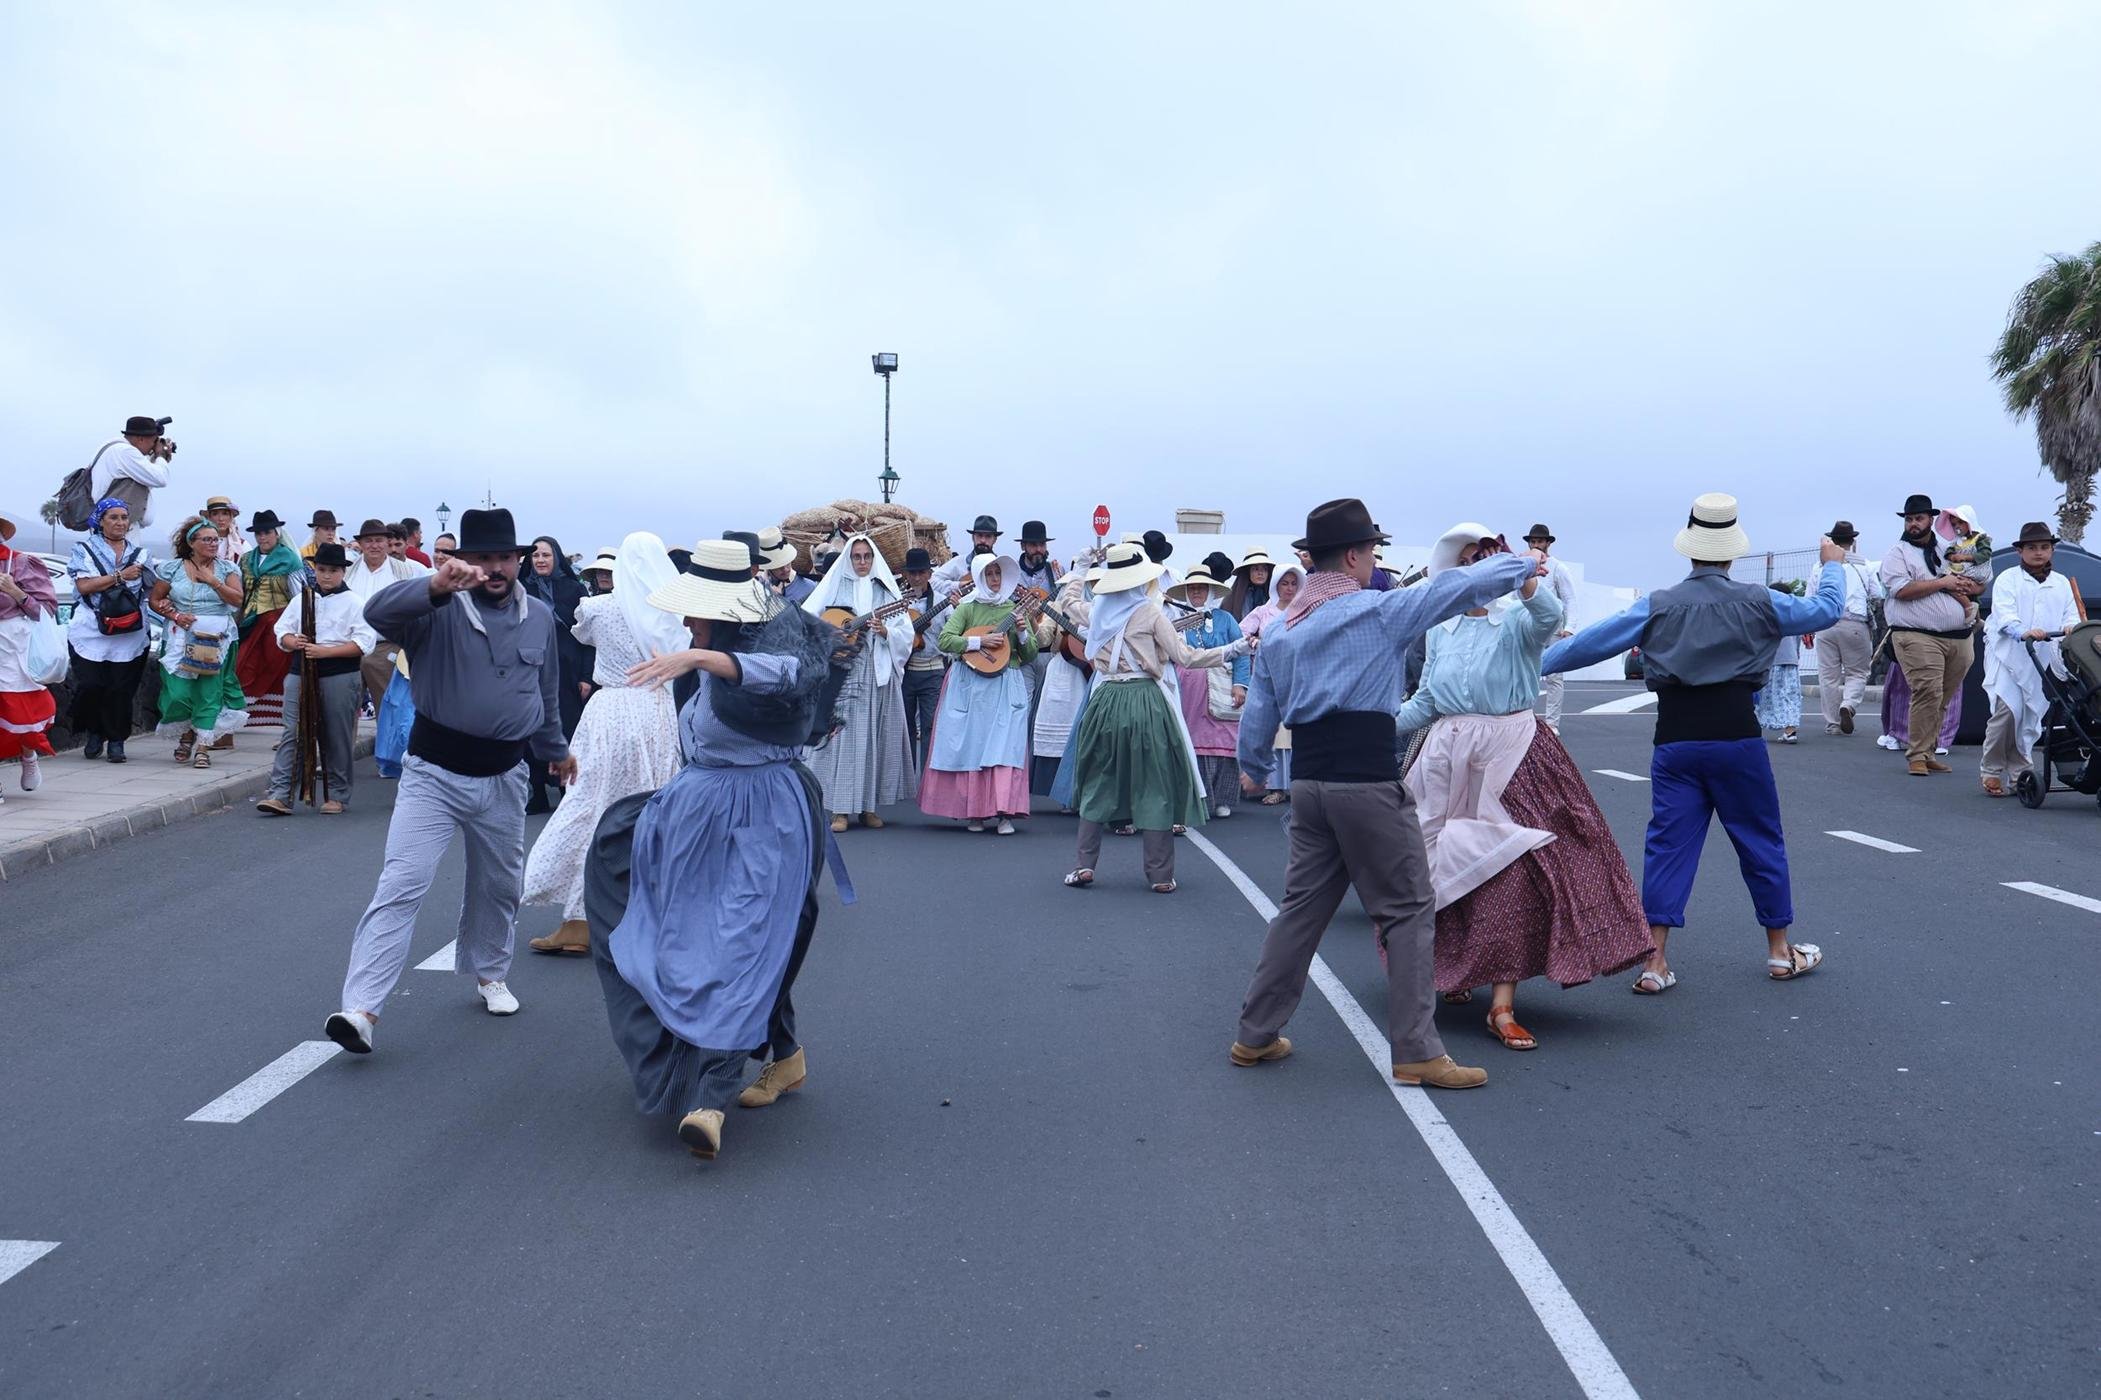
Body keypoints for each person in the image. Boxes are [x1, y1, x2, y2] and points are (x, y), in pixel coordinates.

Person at [1230, 498, 1540, 1090]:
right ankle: (1417, 1050)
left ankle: (1256, 1034)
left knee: (1300, 911)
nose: (1374, 560)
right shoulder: (1377, 612)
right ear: (1352, 556)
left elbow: (1258, 723)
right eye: (1372, 550)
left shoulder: (1280, 632)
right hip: (1366, 782)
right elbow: (1460, 586)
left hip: (1310, 786)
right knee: (1406, 909)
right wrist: (1520, 562)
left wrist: (1252, 767)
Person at [585, 540, 840, 1160]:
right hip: (695, 812)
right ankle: (785, 1056)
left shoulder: (773, 647)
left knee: (744, 942)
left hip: (765, 813)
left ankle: (710, 1097)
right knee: (673, 921)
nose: (689, 622)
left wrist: (708, 657)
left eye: (699, 615)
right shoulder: (704, 656)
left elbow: (791, 676)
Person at [1544, 493, 1843, 993]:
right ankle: (1778, 951)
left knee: (1667, 846)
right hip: (1737, 736)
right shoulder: (1760, 600)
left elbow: (1585, 645)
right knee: (1759, 840)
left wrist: (1524, 667)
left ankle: (1654, 961)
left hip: (1675, 739)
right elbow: (1826, 611)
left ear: (1691, 548)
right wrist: (1831, 566)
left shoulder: (1659, 603)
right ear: (1731, 550)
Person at [322, 508, 577, 1056]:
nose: (494, 569)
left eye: (503, 558)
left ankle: (490, 974)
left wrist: (555, 752)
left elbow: (545, 692)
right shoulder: (435, 606)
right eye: (481, 558)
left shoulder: (540, 618)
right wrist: (435, 585)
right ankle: (361, 1009)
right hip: (433, 774)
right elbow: (377, 612)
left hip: (506, 775)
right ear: (462, 561)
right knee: (401, 885)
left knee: (498, 887)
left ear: (517, 561)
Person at [1398, 523, 1650, 1051]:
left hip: (1511, 751)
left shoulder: (1516, 619)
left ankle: (1502, 1004)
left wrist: (1525, 581)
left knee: (1511, 871)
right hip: (1444, 753)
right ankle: (1455, 969)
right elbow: (1426, 700)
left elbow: (1550, 618)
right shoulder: (1439, 629)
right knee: (1428, 867)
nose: (1478, 569)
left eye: (1487, 559)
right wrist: (1372, 727)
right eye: (1470, 561)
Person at [522, 532, 686, 954]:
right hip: (656, 710)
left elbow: (582, 634)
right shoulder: (672, 612)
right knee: (650, 809)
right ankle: (647, 916)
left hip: (612, 711)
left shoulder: (596, 608)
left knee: (591, 808)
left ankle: (579, 919)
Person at [1065, 543, 1250, 892]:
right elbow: (1187, 657)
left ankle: (1084, 865)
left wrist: (1081, 567)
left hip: (1106, 700)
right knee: (1155, 782)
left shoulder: (1097, 611)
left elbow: (1068, 602)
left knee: (1099, 779)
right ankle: (1160, 875)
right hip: (1146, 701)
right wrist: (1234, 649)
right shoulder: (1150, 614)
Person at [801, 533, 917, 832]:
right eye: (857, 556)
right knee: (844, 740)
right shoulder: (836, 586)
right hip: (844, 671)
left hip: (876, 670)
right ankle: (839, 809)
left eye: (867, 556)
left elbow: (904, 631)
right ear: (849, 559)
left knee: (875, 738)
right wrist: (831, 637)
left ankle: (867, 807)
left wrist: (885, 633)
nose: (863, 562)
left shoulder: (885, 591)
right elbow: (809, 620)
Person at [256, 542, 376, 816]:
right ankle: (280, 793)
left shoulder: (355, 603)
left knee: (336, 734)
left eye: (333, 570)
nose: (327, 575)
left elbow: (363, 643)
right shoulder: (302, 599)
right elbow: (282, 632)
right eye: (322, 569)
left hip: (339, 674)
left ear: (342, 572)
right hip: (301, 671)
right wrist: (292, 641)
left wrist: (326, 651)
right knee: (293, 732)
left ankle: (337, 794)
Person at [922, 552, 1037, 834]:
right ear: (978, 576)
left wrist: (1022, 634)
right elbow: (946, 640)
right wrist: (978, 641)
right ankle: (974, 813)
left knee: (1003, 747)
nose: (995, 579)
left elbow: (1030, 653)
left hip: (1004, 684)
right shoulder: (967, 608)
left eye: (998, 573)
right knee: (974, 745)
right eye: (989, 574)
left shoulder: (1014, 609)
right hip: (971, 685)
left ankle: (1003, 814)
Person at [1880, 493, 1983, 777]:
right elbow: (1900, 590)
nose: (1914, 524)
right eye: (1910, 519)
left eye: (1919, 518)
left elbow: (1976, 583)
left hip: (1959, 635)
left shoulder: (1949, 549)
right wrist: (1942, 583)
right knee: (1928, 690)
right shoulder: (1897, 554)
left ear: (1931, 520)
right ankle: (1916, 754)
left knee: (1944, 697)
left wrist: (1967, 586)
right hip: (1916, 634)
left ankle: (1928, 750)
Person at [1978, 522, 2082, 798]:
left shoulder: (2060, 583)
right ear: (2020, 551)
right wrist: (2022, 631)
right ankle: (1990, 769)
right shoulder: (2008, 579)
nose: (2038, 553)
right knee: (2006, 713)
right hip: (2008, 655)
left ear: (2052, 550)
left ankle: (2019, 773)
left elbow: (2071, 615)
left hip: (2040, 659)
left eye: (2044, 547)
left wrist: (2072, 627)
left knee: (2029, 715)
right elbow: (2004, 614)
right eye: (2032, 547)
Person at [146, 514, 249, 768]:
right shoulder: (172, 568)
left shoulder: (227, 569)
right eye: (206, 539)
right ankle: (187, 731)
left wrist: (213, 582)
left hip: (217, 638)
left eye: (215, 540)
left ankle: (203, 746)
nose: (213, 544)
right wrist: (175, 614)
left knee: (209, 691)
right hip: (181, 636)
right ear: (192, 543)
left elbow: (237, 600)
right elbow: (155, 601)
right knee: (179, 693)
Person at [65, 497, 154, 763]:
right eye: (113, 517)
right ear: (100, 521)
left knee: (121, 689)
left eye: (124, 518)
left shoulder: (142, 554)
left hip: (130, 631)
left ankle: (116, 741)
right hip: (90, 628)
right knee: (92, 684)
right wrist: (119, 576)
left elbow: (153, 588)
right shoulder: (84, 549)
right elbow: (84, 587)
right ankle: (94, 731)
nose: (120, 522)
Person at [1163, 553, 1250, 817]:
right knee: (1194, 743)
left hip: (1223, 689)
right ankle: (1201, 797)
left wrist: (1240, 685)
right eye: (1192, 588)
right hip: (1189, 692)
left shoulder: (1225, 619)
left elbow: (1242, 653)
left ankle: (1223, 798)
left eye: (1202, 587)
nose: (1197, 592)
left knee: (1225, 742)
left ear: (1211, 590)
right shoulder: (1175, 620)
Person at [522, 534, 596, 814]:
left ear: (557, 558)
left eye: (546, 555)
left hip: (568, 671)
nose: (540, 560)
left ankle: (567, 785)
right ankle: (537, 790)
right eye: (536, 555)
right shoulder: (520, 589)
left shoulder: (573, 590)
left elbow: (589, 637)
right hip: (530, 669)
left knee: (567, 729)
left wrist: (586, 676)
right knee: (530, 729)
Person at [0, 511, 60, 797]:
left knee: (17, 711)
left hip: (12, 647)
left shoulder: (19, 562)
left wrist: (16, 593)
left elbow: (46, 610)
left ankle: (28, 755)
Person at [232, 510, 305, 729]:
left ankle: (286, 723)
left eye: (267, 533)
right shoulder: (246, 559)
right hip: (250, 623)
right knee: (242, 667)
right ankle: (237, 717)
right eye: (259, 533)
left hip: (277, 622)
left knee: (278, 670)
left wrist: (297, 626)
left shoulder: (289, 559)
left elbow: (298, 596)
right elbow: (240, 593)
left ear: (276, 533)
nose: (263, 537)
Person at [1237, 561, 1303, 805]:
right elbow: (1239, 632)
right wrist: (1254, 642)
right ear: (1276, 584)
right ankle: (1272, 785)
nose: (1289, 588)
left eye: (1294, 583)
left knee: (1293, 730)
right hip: (1267, 675)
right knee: (1270, 729)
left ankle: (1293, 783)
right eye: (1284, 583)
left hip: (1296, 676)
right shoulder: (1264, 612)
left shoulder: (1305, 610)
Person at [346, 517, 426, 713]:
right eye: (369, 541)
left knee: (389, 709)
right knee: (345, 709)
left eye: (379, 540)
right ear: (361, 544)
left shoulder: (407, 571)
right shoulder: (348, 571)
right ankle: (343, 745)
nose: (374, 545)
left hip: (386, 646)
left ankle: (387, 744)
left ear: (387, 543)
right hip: (350, 648)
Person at [1030, 569, 1093, 803]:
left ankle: (1084, 790)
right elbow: (1045, 638)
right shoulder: (1055, 608)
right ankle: (1063, 791)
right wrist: (1033, 621)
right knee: (1061, 728)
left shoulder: (1096, 608)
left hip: (1090, 671)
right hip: (1063, 672)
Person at [1815, 520, 1882, 735]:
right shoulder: (1865, 564)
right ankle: (1849, 704)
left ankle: (1832, 723)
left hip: (1825, 624)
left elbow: (1811, 596)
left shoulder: (1820, 565)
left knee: (1828, 676)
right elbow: (1876, 595)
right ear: (1853, 541)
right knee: (1857, 672)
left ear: (1832, 541)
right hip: (1855, 623)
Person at [897, 548, 954, 764]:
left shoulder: (942, 601)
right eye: (912, 573)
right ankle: (907, 779)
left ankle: (927, 780)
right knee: (905, 725)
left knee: (931, 725)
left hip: (933, 670)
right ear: (906, 575)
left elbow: (952, 633)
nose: (917, 577)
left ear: (930, 574)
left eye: (921, 572)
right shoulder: (899, 602)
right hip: (906, 671)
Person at [1519, 525, 1578, 733]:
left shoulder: (1558, 568)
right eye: (1533, 542)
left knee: (1554, 678)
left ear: (1548, 543)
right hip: (1528, 627)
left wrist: (1570, 627)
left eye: (1540, 541)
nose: (1536, 545)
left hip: (1554, 629)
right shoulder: (1523, 566)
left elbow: (1570, 598)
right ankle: (1526, 723)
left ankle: (1552, 725)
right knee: (1525, 675)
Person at [87, 415, 175, 527]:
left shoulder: (112, 447)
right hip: (118, 526)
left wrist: (158, 457)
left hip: (111, 522)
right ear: (141, 439)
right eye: (153, 441)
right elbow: (160, 479)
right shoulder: (125, 452)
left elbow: (146, 478)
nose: (153, 446)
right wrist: (160, 455)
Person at [1756, 582, 1805, 744]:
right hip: (1791, 661)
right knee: (1790, 695)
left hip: (1771, 660)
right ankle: (1790, 731)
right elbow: (1797, 639)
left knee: (1768, 696)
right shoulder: (1794, 615)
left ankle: (1757, 729)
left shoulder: (1765, 614)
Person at [932, 515, 1002, 592]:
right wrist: (958, 585)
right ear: (973, 537)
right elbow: (932, 582)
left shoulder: (1003, 566)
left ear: (995, 540)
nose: (983, 540)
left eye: (988, 536)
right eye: (979, 535)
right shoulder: (958, 563)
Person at [757, 526, 814, 604]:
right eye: (778, 566)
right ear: (769, 567)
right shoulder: (758, 590)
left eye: (787, 563)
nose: (785, 569)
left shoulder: (809, 587)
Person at [1222, 549, 1275, 620]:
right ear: (1248, 571)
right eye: (1256, 569)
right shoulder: (1233, 599)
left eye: (1265, 569)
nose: (1260, 573)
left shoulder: (1274, 597)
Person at [202, 496, 247, 563]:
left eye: (225, 514)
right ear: (209, 518)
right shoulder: (199, 543)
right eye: (215, 514)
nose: (221, 519)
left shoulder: (243, 545)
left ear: (231, 517)